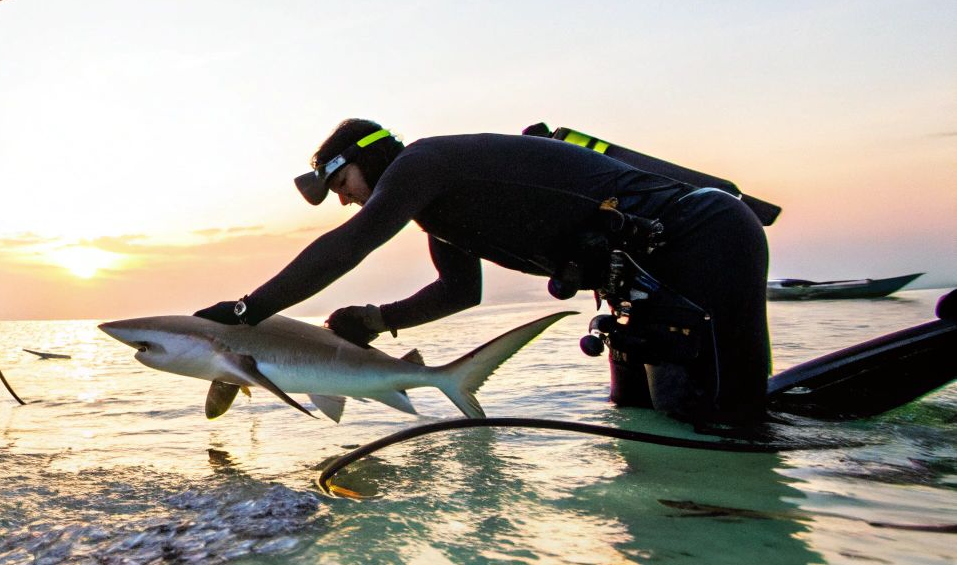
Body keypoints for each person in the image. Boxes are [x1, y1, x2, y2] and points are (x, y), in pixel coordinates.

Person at [195, 119, 772, 429]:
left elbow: (352, 244)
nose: (347, 203)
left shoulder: (426, 162)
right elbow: (460, 291)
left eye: (342, 187)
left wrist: (249, 311)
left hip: (697, 237)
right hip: (631, 280)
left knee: (709, 422)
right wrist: (376, 319)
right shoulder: (439, 212)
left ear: (365, 160)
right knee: (639, 420)